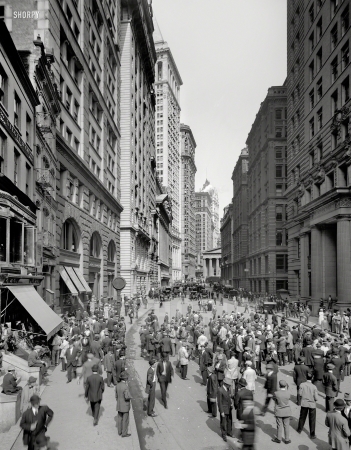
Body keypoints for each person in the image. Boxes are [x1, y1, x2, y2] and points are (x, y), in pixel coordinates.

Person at [297, 372, 318, 439]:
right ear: (312, 378)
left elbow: (300, 394)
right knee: (312, 419)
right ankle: (312, 434)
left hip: (304, 403)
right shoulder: (314, 387)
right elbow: (316, 398)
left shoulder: (302, 385)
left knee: (302, 417)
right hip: (312, 404)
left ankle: (299, 429)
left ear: (306, 377)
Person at [115, 371, 132, 438]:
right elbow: (127, 397)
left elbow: (116, 396)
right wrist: (130, 396)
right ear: (125, 379)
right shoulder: (125, 386)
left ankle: (119, 431)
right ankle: (124, 433)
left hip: (119, 404)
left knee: (119, 418)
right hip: (125, 406)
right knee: (125, 420)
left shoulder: (117, 385)